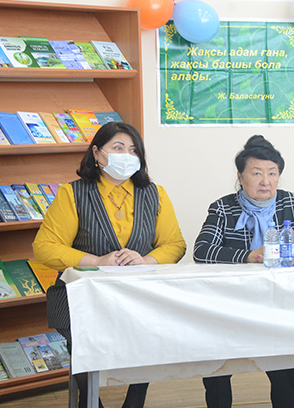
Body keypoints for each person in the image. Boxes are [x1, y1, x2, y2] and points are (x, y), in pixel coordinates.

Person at [33, 122, 187, 408]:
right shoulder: (72, 193)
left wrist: (146, 260)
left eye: (133, 150)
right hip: (83, 296)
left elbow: (175, 244)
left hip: (138, 294)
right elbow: (44, 247)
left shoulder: (156, 193)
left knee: (151, 332)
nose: (126, 156)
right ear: (97, 153)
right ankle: (91, 401)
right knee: (81, 338)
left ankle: (135, 401)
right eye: (118, 148)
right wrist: (96, 261)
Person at [193, 135, 294, 408]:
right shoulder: (223, 207)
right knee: (217, 367)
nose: (266, 181)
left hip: (278, 302)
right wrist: (249, 256)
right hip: (230, 303)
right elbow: (202, 250)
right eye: (257, 173)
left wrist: (279, 252)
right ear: (240, 177)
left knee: (283, 371)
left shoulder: (291, 203)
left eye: (272, 173)